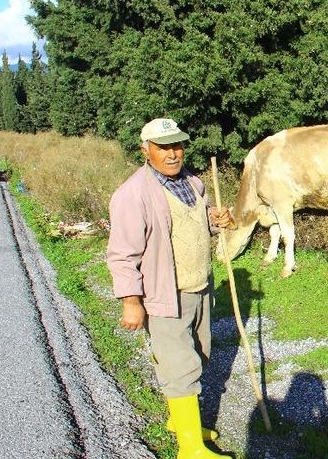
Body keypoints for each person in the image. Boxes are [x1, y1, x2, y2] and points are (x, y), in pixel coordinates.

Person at [106, 118, 234, 458]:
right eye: (163, 147)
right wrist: (131, 302)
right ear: (145, 150)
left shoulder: (192, 182)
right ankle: (190, 449)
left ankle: (182, 422)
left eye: (177, 145)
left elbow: (190, 222)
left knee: (200, 354)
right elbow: (121, 255)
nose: (172, 153)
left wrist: (214, 220)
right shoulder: (132, 196)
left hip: (200, 288)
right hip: (165, 296)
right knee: (179, 367)